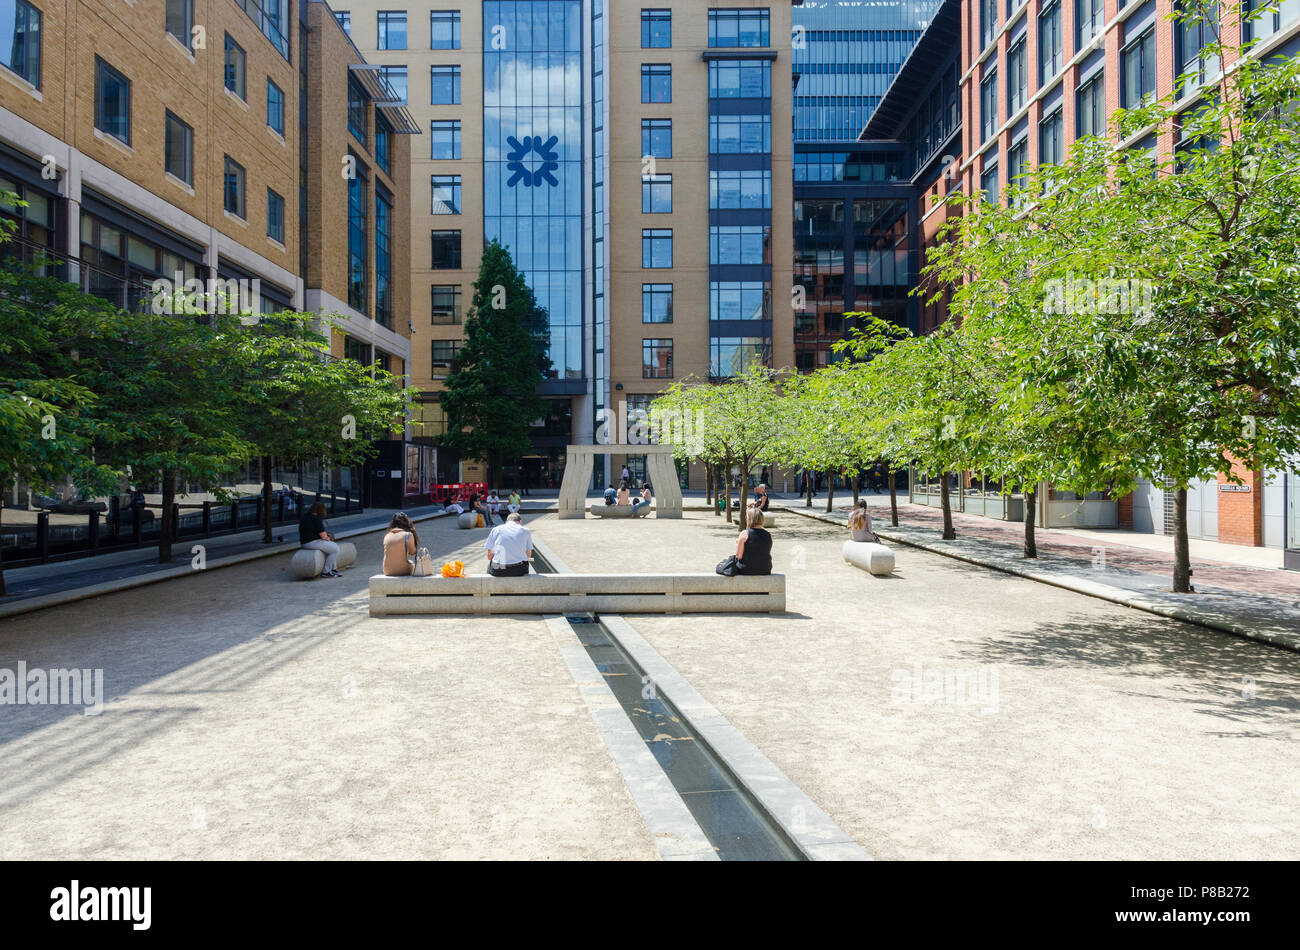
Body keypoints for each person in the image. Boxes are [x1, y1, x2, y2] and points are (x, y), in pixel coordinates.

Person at [717, 507, 773, 576]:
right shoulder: (768, 534)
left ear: (750, 519)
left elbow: (739, 556)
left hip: (747, 569)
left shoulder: (744, 534)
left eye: (747, 518)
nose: (746, 519)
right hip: (765, 569)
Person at [299, 501, 341, 577]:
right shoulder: (317, 519)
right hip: (313, 542)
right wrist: (329, 538)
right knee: (335, 549)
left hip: (304, 543)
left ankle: (333, 569)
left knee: (333, 546)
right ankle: (326, 571)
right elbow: (323, 536)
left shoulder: (304, 517)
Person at [484, 512, 533, 577]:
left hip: (498, 570)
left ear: (506, 521)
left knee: (490, 565)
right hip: (519, 569)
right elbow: (528, 555)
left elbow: (489, 556)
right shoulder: (526, 530)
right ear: (520, 521)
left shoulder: (496, 529)